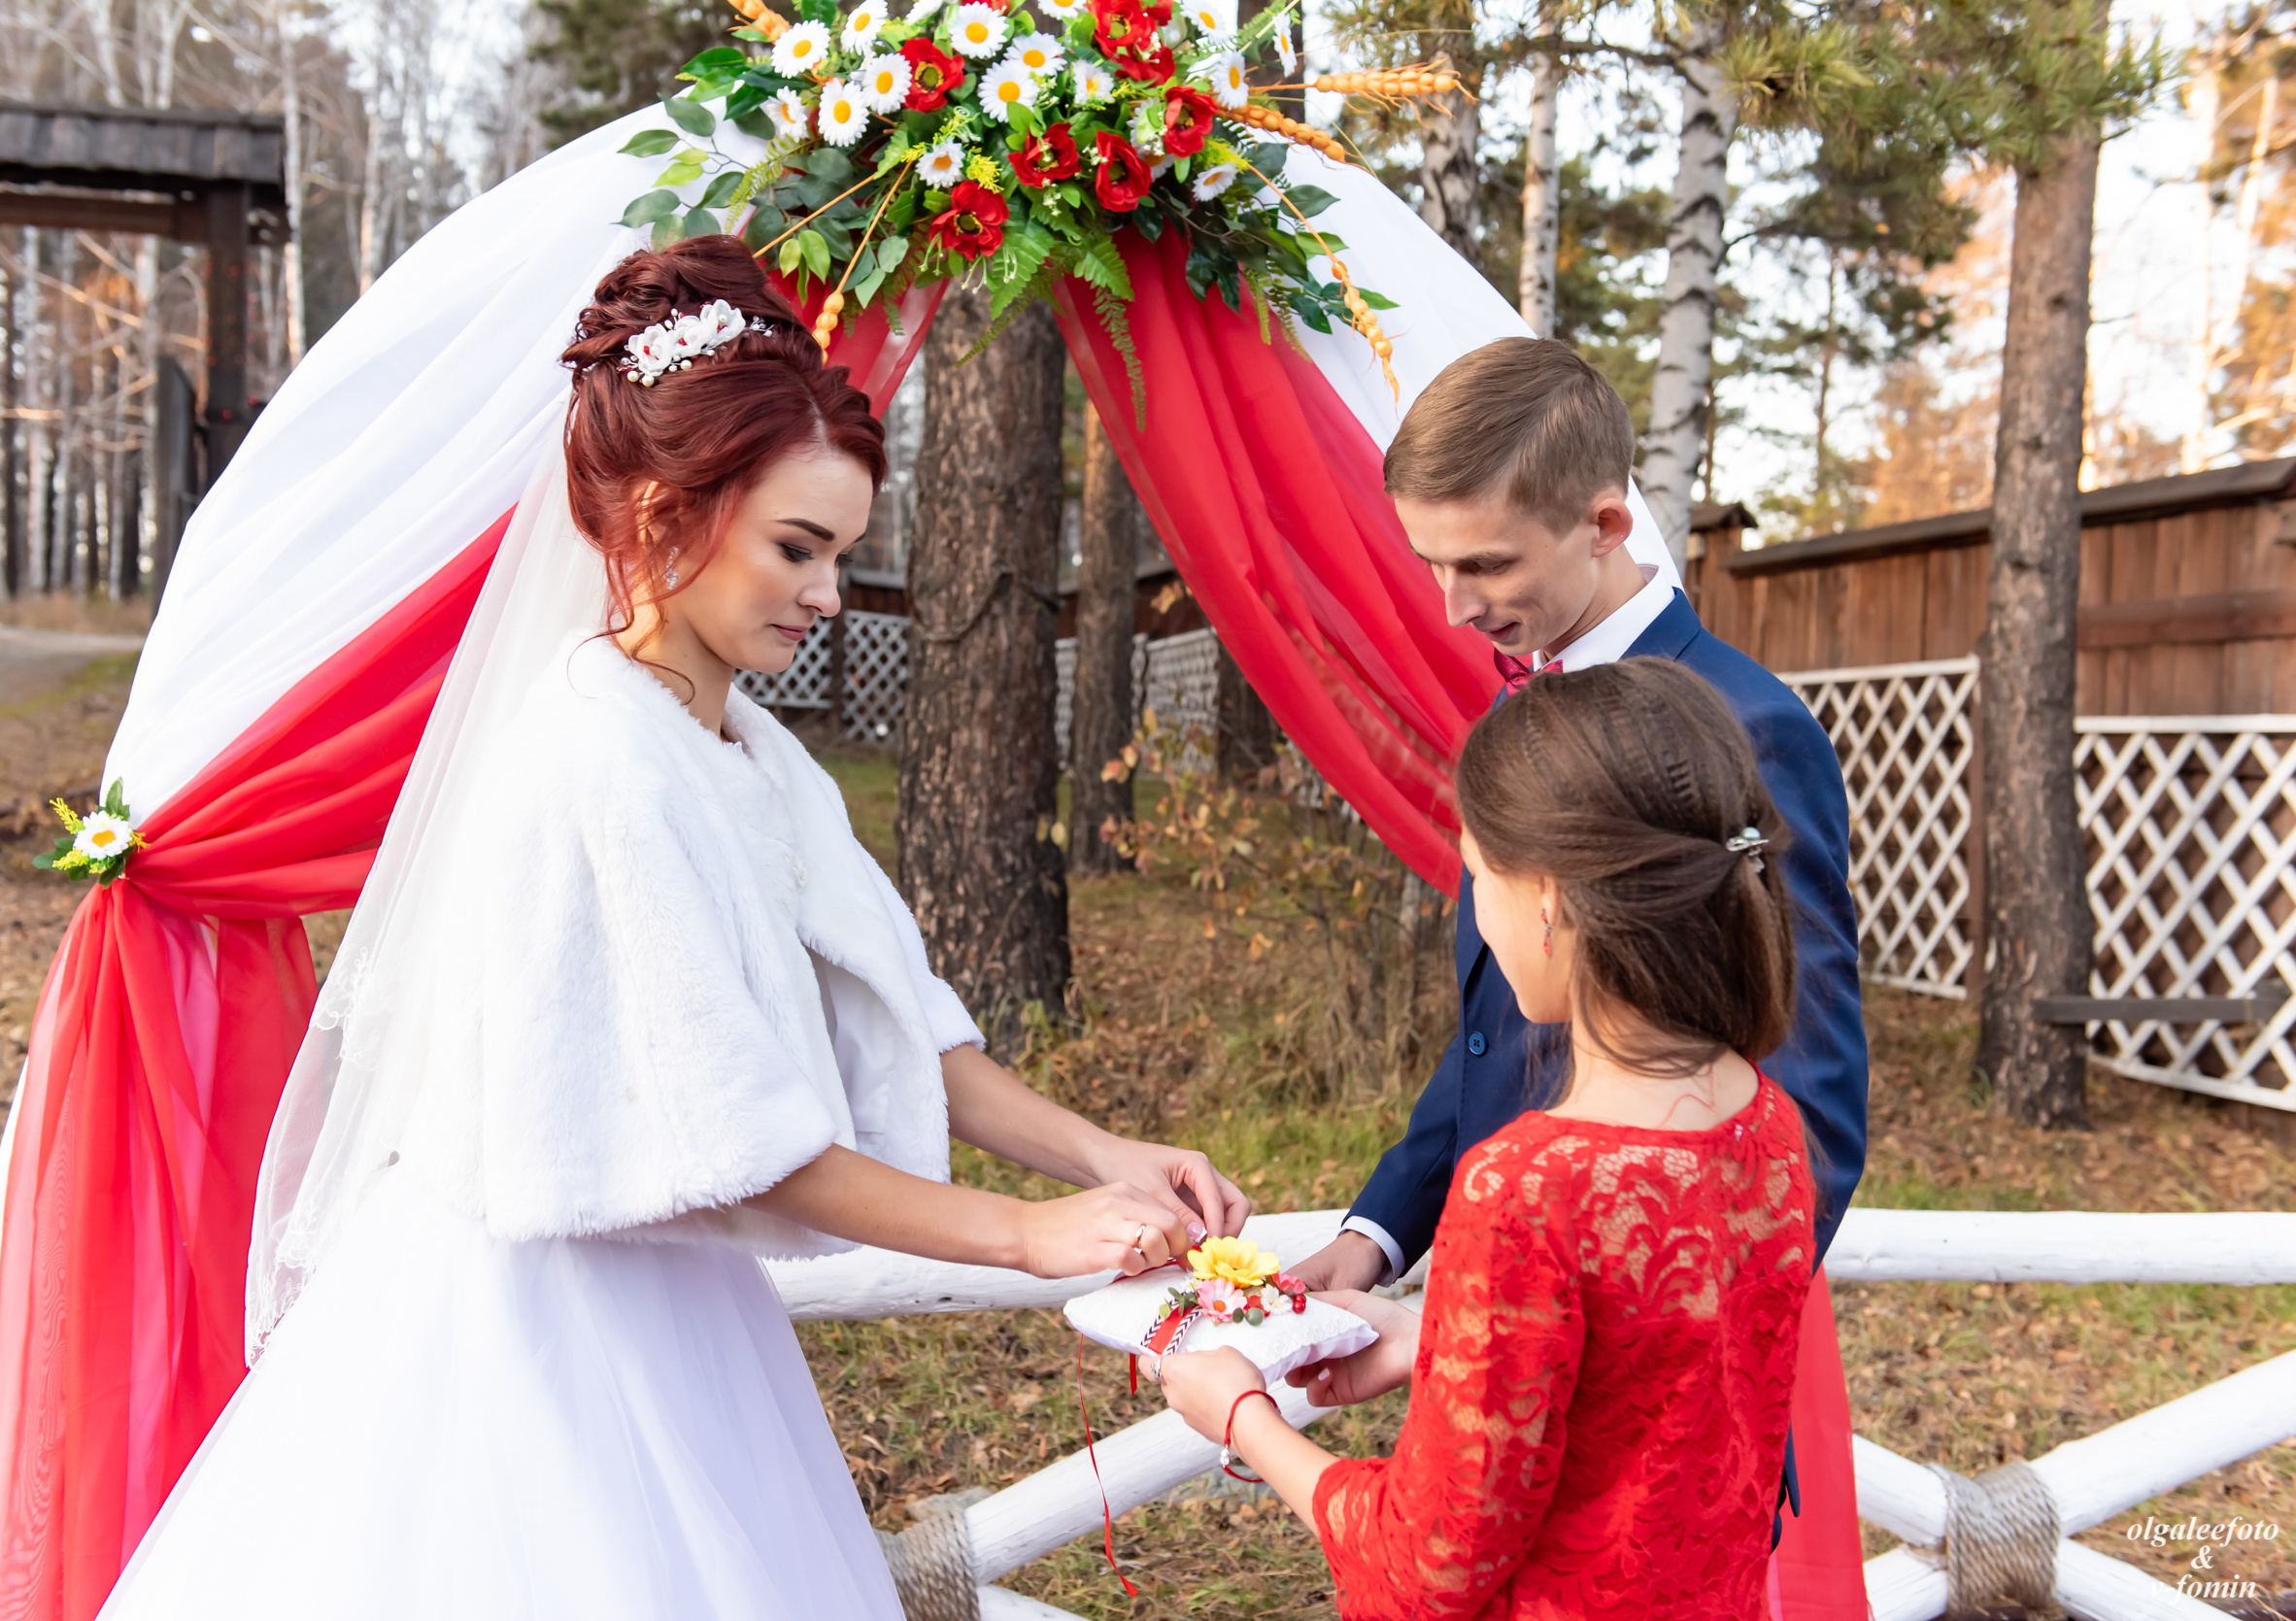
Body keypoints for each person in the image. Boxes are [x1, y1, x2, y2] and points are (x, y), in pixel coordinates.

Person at [96, 237, 1248, 1620]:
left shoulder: (750, 751)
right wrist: (1024, 1233)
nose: (827, 593)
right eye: (798, 548)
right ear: (657, 519)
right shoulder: (600, 760)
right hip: (535, 1335)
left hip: (673, 1318)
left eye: (839, 554)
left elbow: (899, 1012)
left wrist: (1105, 1151)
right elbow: (736, 1147)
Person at [1160, 657, 1818, 1619]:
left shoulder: (1524, 1188)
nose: (1478, 915)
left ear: (1547, 897)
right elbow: (1651, 1380)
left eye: (1476, 878)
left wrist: (1242, 1417)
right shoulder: (1768, 1124)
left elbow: (1423, 1568)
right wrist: (1435, 1335)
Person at [1290, 338, 1867, 1289]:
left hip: (1650, 1360)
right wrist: (1377, 1235)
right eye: (1433, 563)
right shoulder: (1521, 711)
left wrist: (1641, 1340)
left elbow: (1810, 1098)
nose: (1451, 607)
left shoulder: (1748, 725)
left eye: (1486, 563)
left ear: (1602, 523)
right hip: (1512, 1308)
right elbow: (1500, 1035)